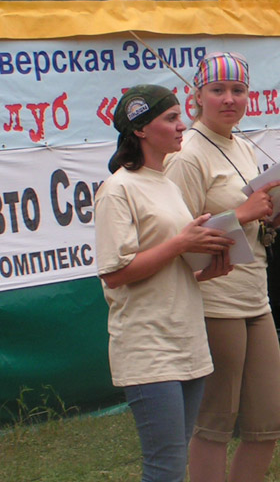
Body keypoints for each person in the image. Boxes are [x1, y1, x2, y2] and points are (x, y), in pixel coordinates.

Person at [94, 85, 234, 482]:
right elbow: (114, 273)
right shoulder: (117, 189)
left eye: (180, 117)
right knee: (166, 466)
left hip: (186, 339)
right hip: (147, 346)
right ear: (140, 129)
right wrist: (181, 243)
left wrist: (203, 271)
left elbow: (167, 266)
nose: (182, 126)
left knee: (175, 461)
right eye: (171, 118)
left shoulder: (167, 184)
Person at [164, 52, 280, 482]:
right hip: (213, 301)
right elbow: (178, 239)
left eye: (238, 90)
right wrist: (244, 213)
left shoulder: (243, 145)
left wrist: (271, 217)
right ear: (197, 95)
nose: (229, 99)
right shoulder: (187, 154)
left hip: (255, 297)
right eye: (217, 90)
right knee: (214, 423)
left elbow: (248, 225)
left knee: (269, 421)